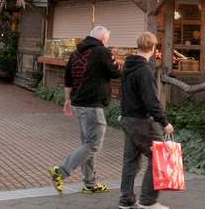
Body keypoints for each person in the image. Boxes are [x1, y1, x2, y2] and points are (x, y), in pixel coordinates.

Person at [49, 26, 121, 196]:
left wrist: (67, 100)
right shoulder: (102, 51)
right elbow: (116, 72)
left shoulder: (76, 53)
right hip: (92, 105)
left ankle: (90, 184)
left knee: (87, 144)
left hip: (78, 104)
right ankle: (62, 171)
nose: (107, 42)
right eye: (107, 39)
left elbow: (68, 79)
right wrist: (116, 61)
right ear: (103, 38)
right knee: (93, 144)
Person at [118, 31, 174, 209]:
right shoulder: (145, 70)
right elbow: (151, 100)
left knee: (131, 160)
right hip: (141, 121)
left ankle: (126, 200)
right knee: (159, 157)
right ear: (153, 47)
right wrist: (165, 122)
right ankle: (148, 202)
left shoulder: (128, 66)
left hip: (128, 118)